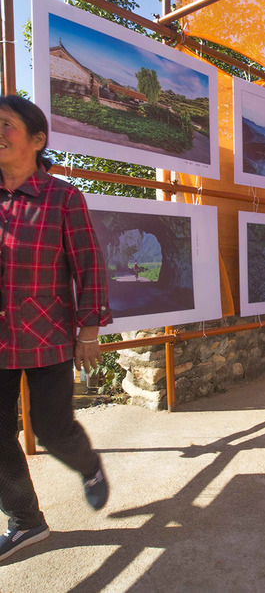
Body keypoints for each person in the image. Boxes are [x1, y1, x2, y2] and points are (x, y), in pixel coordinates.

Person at [0, 95, 112, 563]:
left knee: (52, 429)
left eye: (6, 125)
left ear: (37, 139)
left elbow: (89, 265)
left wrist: (89, 329)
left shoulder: (63, 197)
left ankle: (88, 466)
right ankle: (26, 521)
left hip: (46, 337)